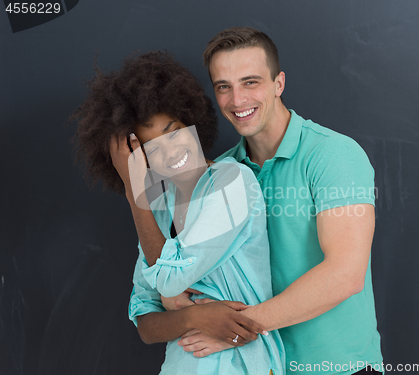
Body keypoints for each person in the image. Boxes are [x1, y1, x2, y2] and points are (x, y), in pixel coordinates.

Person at [165, 27, 383, 375]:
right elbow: (187, 274)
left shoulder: (333, 155)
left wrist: (237, 330)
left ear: (278, 83)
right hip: (261, 367)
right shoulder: (220, 173)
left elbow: (345, 274)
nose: (237, 100)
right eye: (224, 86)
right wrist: (172, 292)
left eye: (250, 82)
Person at [71, 51, 285, 375]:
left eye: (174, 131)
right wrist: (193, 317)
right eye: (152, 148)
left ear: (192, 122)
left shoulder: (232, 183)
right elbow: (144, 320)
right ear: (141, 161)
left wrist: (135, 193)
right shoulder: (157, 208)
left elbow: (169, 281)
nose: (171, 150)